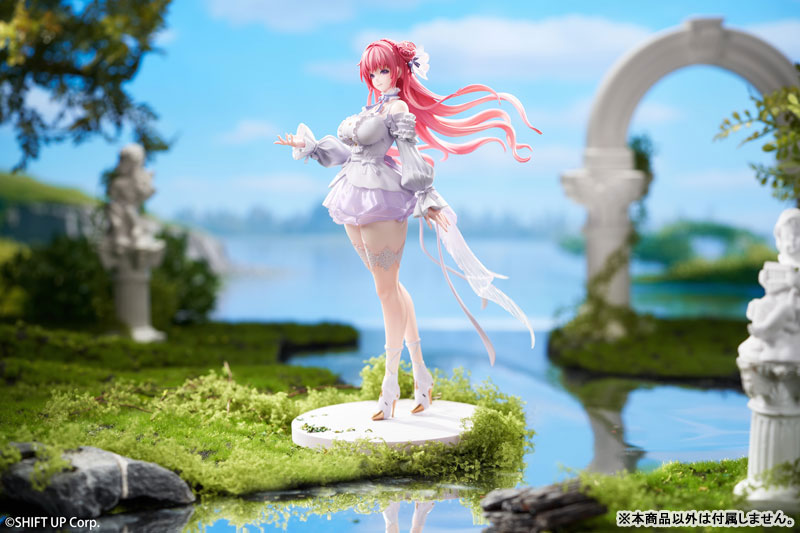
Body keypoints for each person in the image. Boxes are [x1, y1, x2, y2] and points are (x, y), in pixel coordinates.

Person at [275, 39, 540, 421]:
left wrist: (427, 198)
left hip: (382, 199)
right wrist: (311, 145)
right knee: (391, 288)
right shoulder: (372, 108)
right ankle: (421, 375)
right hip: (352, 194)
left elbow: (410, 153)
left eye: (384, 70)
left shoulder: (397, 108)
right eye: (372, 72)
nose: (378, 77)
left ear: (399, 70)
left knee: (386, 291)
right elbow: (351, 154)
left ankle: (390, 384)